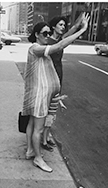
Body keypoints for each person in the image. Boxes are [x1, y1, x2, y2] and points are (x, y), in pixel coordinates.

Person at [22, 14, 89, 173]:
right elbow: (59, 46)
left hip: (37, 94)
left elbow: (61, 39)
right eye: (44, 34)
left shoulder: (38, 48)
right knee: (38, 128)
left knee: (32, 124)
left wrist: (77, 23)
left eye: (48, 33)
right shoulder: (35, 48)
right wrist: (83, 29)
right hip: (39, 95)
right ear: (37, 35)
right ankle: (38, 158)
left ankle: (30, 150)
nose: (47, 36)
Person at [41, 13, 87, 152]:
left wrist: (80, 21)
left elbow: (71, 30)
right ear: (53, 27)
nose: (63, 27)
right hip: (49, 78)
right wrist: (81, 28)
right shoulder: (49, 42)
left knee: (53, 110)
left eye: (64, 25)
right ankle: (43, 139)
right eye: (60, 25)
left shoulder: (60, 39)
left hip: (58, 78)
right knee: (47, 110)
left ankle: (47, 135)